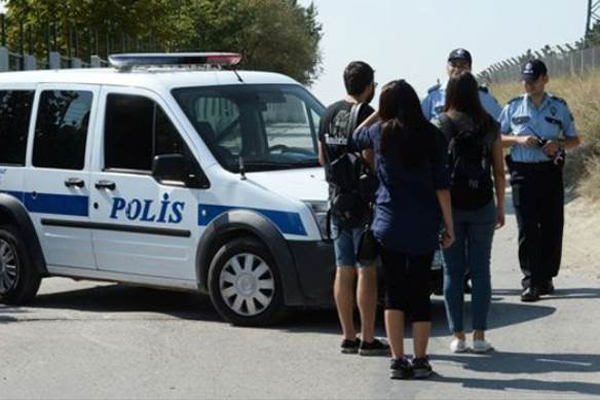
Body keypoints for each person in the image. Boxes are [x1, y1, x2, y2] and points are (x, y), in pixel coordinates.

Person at [351, 80, 454, 379]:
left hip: (389, 223)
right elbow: (441, 186)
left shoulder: (379, 132)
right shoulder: (433, 135)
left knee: (394, 292)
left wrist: (377, 115)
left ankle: (398, 361)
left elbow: (355, 137)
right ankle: (421, 360)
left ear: (387, 108)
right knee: (420, 292)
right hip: (423, 224)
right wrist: (449, 226)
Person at [317, 61, 389, 356]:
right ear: (369, 85)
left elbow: (322, 158)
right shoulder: (367, 115)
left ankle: (347, 336)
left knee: (343, 268)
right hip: (362, 203)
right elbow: (372, 159)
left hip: (336, 201)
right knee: (366, 270)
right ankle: (368, 338)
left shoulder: (327, 114)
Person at [434, 71, 506, 354]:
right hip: (482, 204)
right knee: (481, 270)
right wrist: (500, 206)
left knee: (451, 272)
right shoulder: (490, 125)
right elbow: (499, 171)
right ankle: (479, 336)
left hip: (450, 205)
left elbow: (435, 169)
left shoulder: (441, 123)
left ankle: (457, 337)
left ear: (450, 92)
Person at [500, 59, 581, 302]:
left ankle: (546, 276)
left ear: (544, 79)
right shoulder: (513, 107)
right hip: (522, 173)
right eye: (525, 80)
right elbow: (497, 137)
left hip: (550, 171)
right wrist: (518, 140)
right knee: (527, 227)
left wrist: (559, 145)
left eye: (533, 80)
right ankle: (531, 280)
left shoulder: (558, 106)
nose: (529, 85)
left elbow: (575, 139)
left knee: (552, 226)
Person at [422, 48, 503, 121]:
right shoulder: (433, 97)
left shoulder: (483, 97)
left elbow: (499, 125)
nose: (457, 69)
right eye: (453, 65)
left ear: (470, 69)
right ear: (447, 67)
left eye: (462, 65)